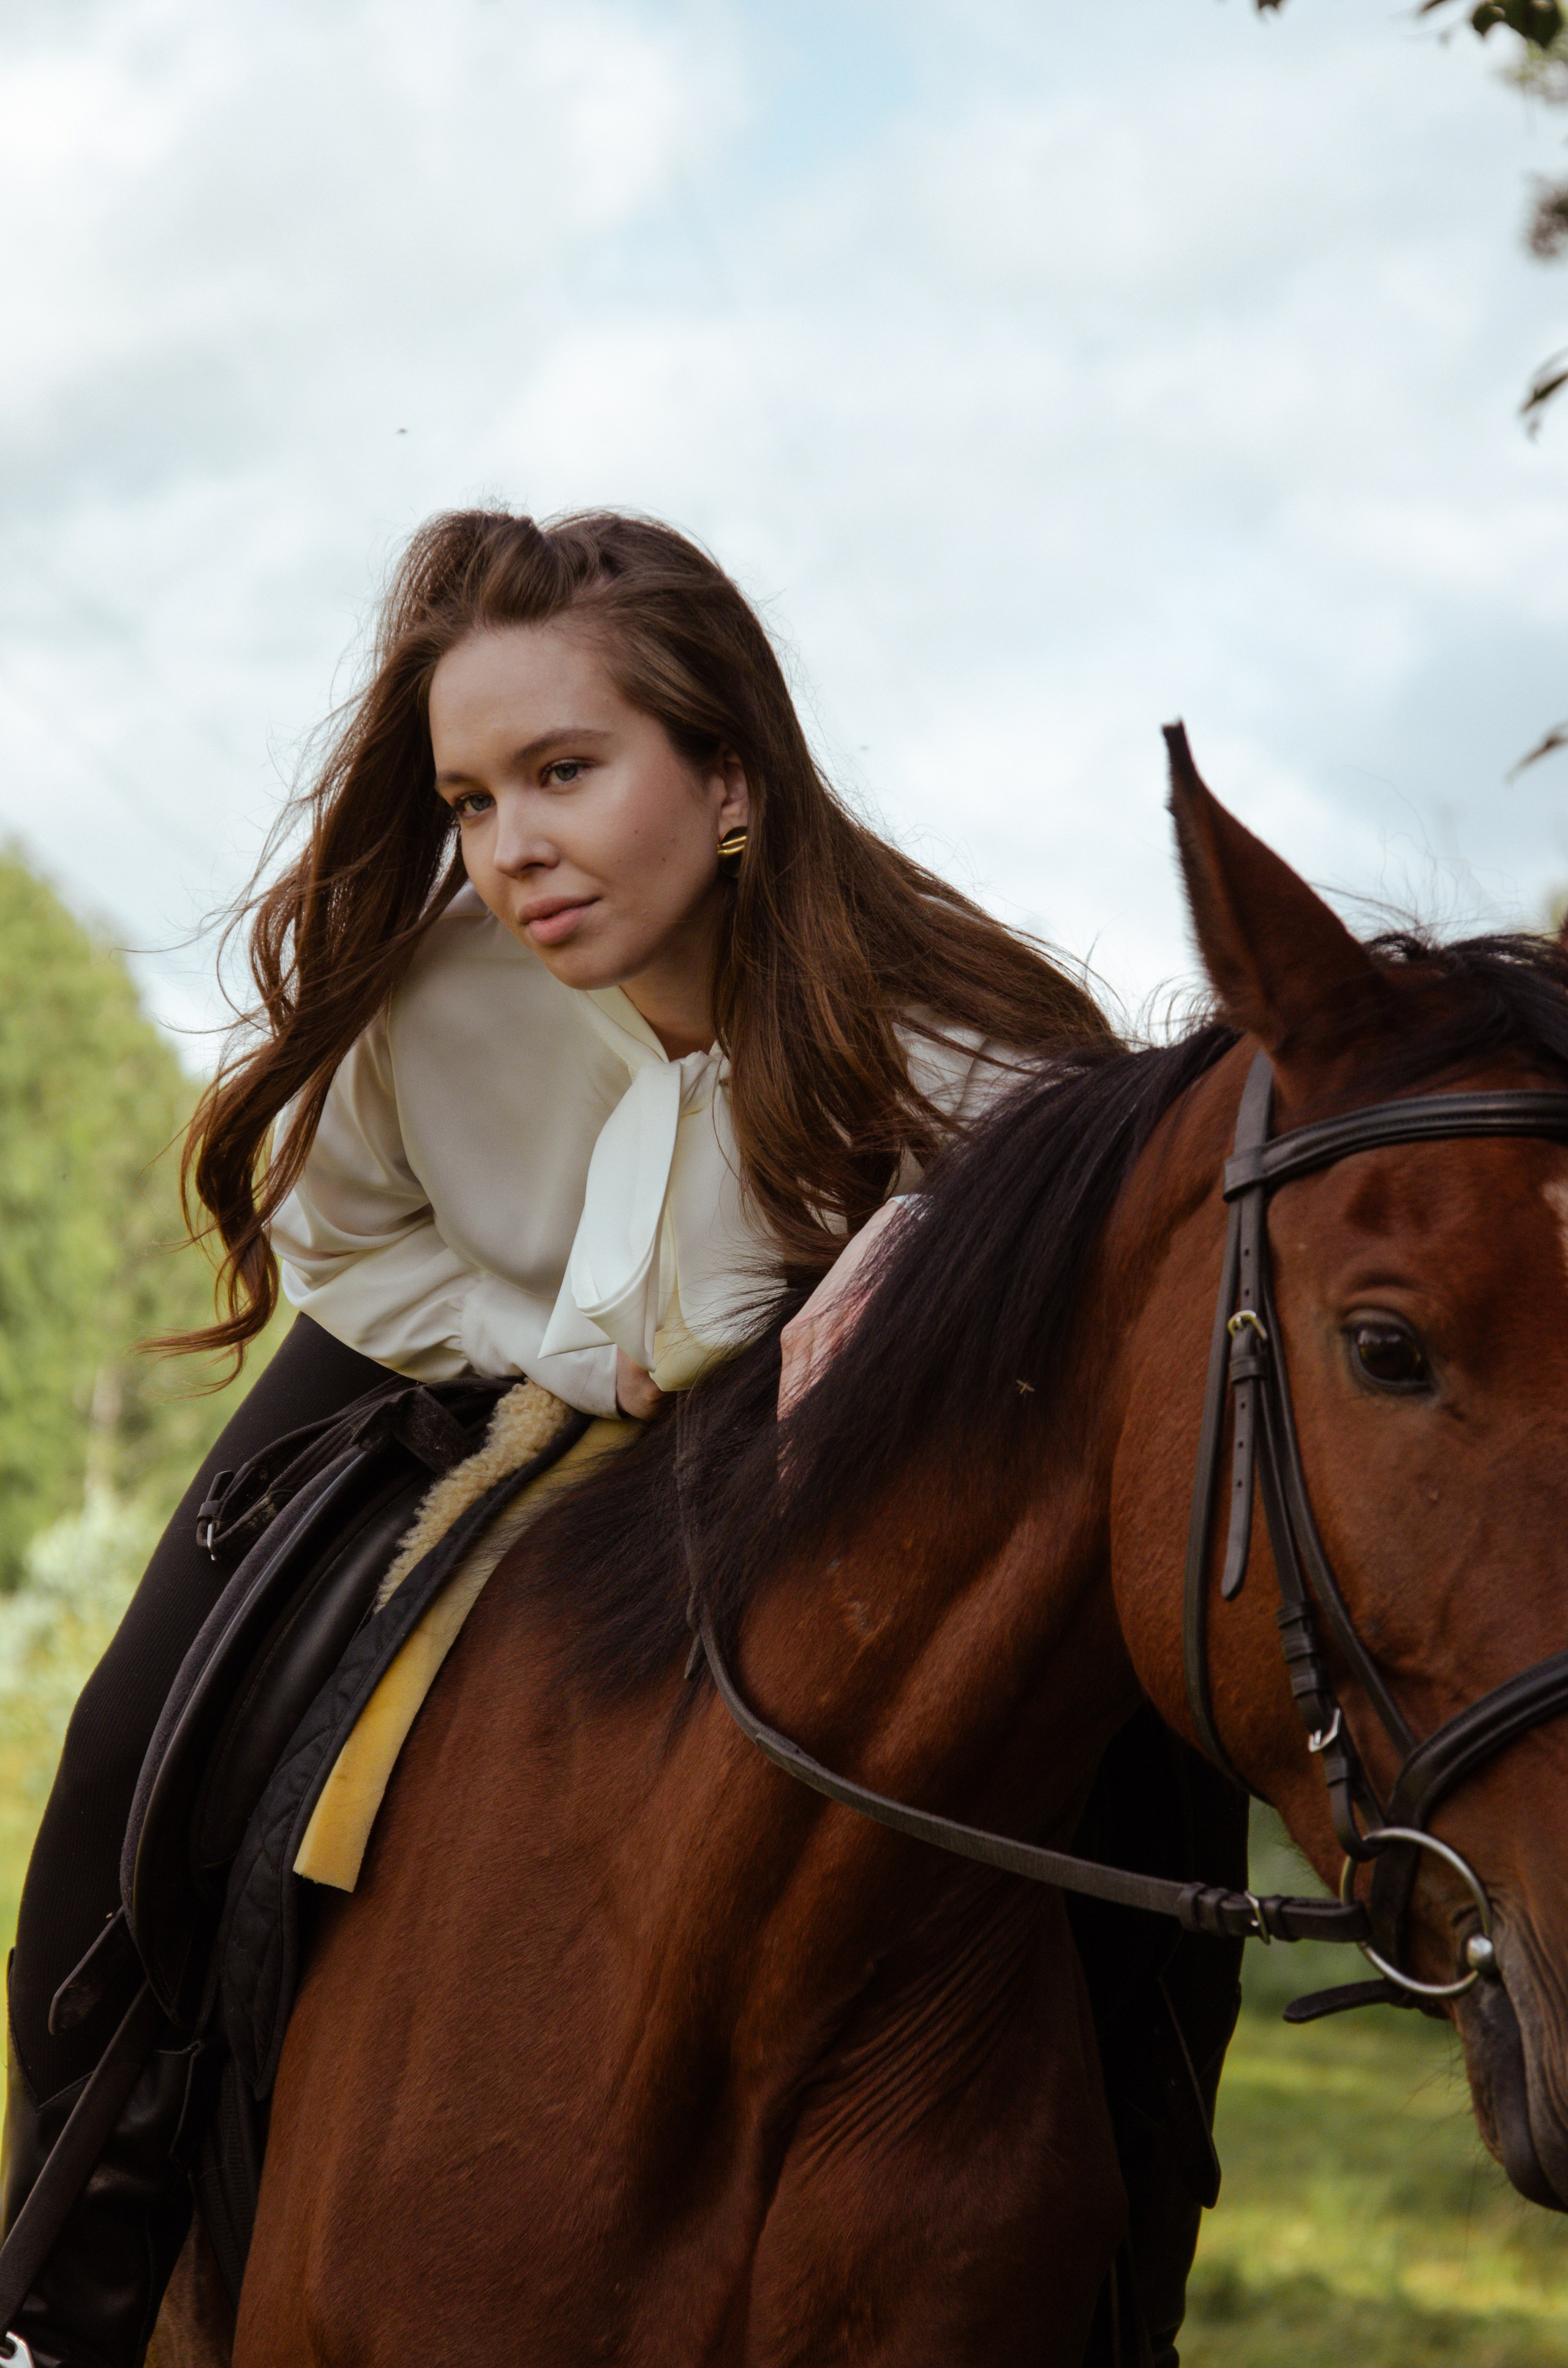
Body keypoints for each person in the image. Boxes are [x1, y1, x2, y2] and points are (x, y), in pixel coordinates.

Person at [0, 509, 1111, 2362]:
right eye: (471, 798)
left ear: (731, 777)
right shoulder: (426, 986)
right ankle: (70, 2287)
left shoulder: (957, 1055)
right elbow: (352, 1241)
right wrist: (554, 1356)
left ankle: (1119, 2261)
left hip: (820, 1439)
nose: (513, 849)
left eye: (566, 774)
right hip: (429, 1342)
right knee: (127, 1743)